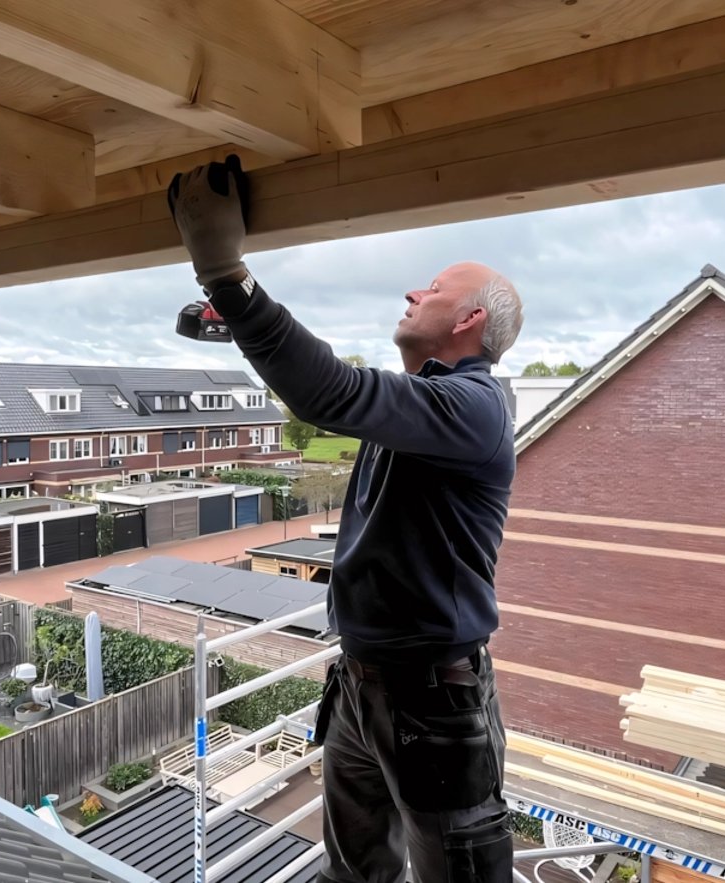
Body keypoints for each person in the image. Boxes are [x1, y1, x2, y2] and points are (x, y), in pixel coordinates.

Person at [167, 155, 523, 883]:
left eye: (432, 289)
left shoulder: (476, 408)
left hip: (433, 701)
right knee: (354, 873)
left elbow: (328, 391)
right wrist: (242, 325)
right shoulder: (422, 408)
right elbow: (336, 384)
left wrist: (225, 274)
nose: (410, 290)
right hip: (361, 685)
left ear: (470, 318)